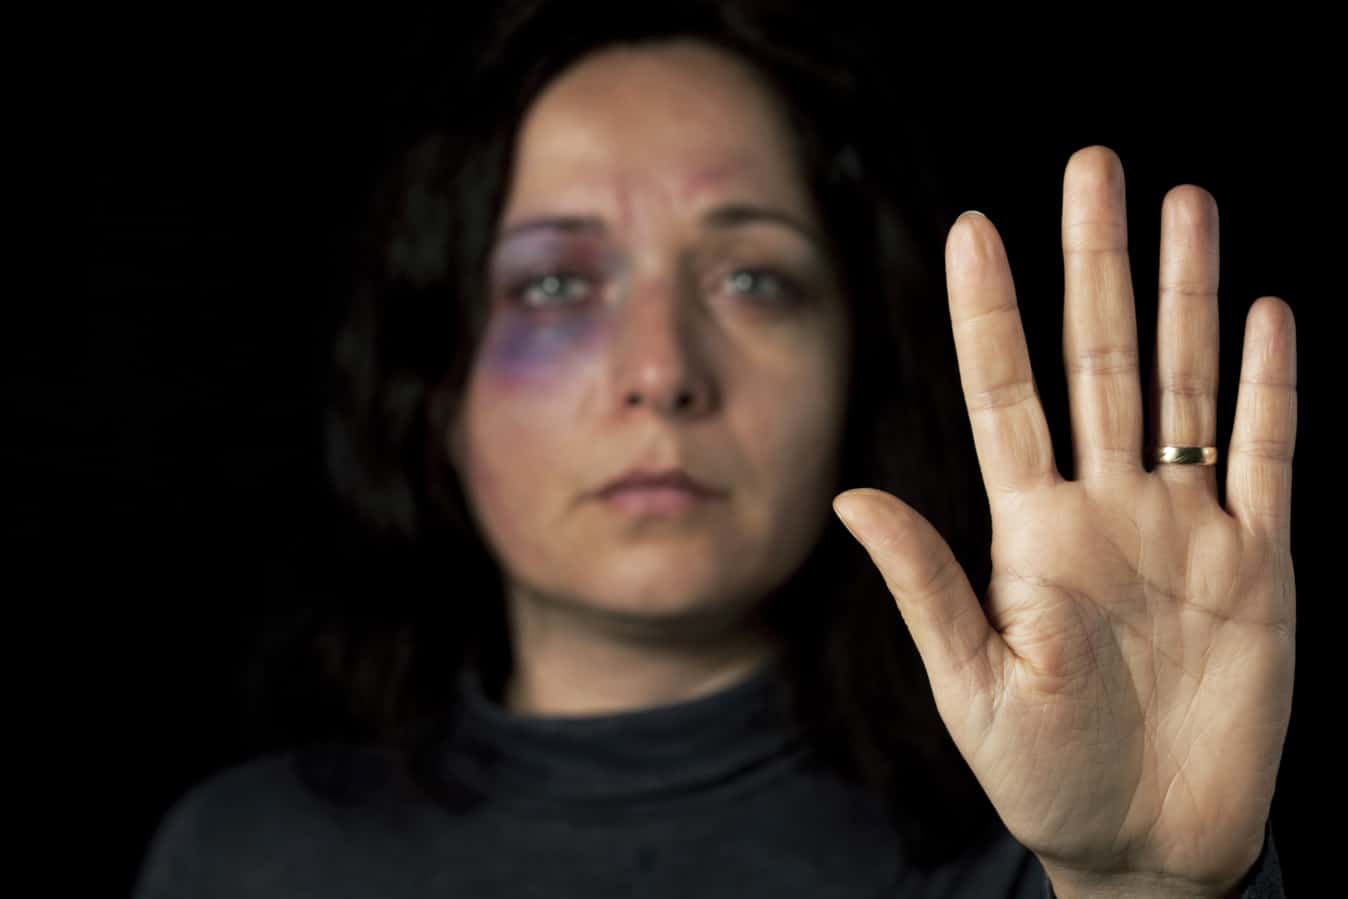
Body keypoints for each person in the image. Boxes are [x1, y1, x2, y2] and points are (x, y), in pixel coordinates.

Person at [132, 2, 1293, 896]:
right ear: (434, 379)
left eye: (752, 278)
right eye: (552, 283)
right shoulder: (243, 858)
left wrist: (1144, 888)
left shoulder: (1039, 840)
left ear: (857, 363)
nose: (662, 369)